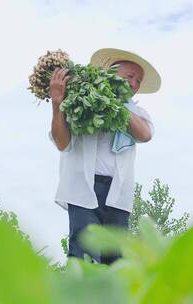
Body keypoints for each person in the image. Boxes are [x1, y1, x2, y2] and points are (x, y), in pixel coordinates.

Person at [48, 48, 161, 264]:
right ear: (110, 73)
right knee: (82, 253)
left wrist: (113, 102)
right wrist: (57, 104)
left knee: (114, 259)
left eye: (138, 81)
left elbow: (145, 134)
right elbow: (62, 143)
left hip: (117, 194)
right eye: (129, 77)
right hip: (84, 188)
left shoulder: (138, 114)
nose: (134, 84)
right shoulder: (79, 102)